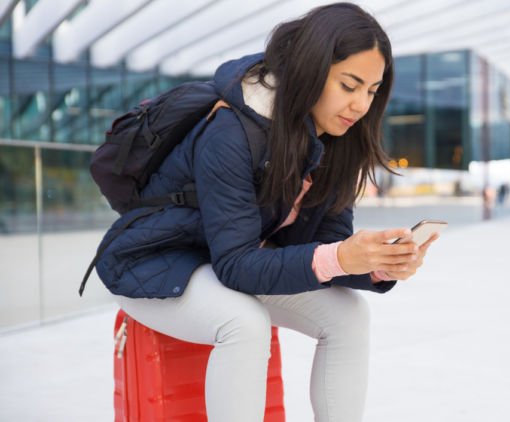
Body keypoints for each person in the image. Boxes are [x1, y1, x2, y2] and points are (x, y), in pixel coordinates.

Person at [93, 4, 438, 421]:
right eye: (349, 85)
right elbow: (237, 265)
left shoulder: (336, 138)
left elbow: (321, 248)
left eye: (371, 90)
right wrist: (341, 256)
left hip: (225, 260)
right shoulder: (233, 131)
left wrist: (376, 264)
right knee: (244, 323)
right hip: (154, 259)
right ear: (311, 69)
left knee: (349, 316)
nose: (361, 104)